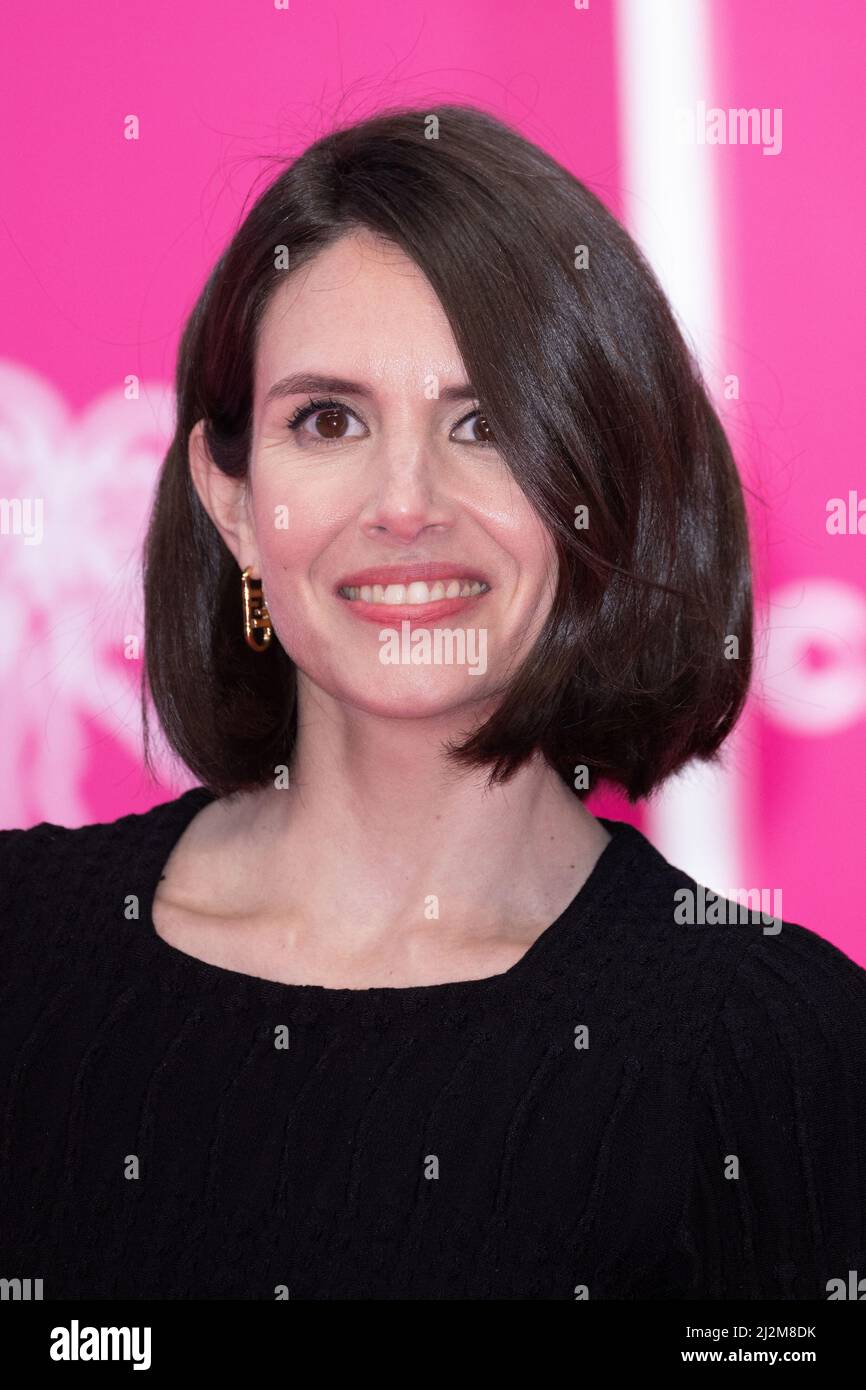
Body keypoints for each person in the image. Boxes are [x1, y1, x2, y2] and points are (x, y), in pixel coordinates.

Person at [2, 104, 865, 1301]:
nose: (404, 502)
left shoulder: (776, 1057)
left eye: (484, 423)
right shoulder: (23, 956)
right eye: (327, 420)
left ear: (598, 488)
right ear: (232, 498)